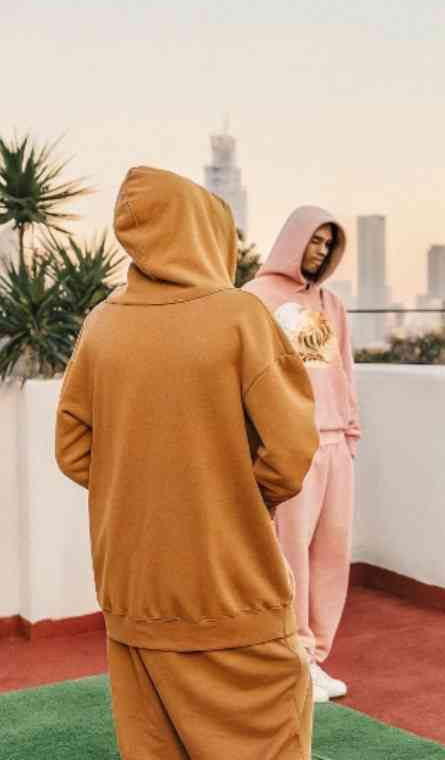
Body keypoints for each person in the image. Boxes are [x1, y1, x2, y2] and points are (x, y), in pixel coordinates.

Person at [55, 166, 320, 759]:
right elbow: (291, 450)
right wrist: (237, 498)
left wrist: (143, 486)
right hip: (230, 586)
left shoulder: (102, 325)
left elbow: (74, 450)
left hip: (132, 590)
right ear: (205, 232)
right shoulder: (239, 316)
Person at [244, 206, 360, 703]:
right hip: (291, 444)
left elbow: (343, 371)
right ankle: (292, 656)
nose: (321, 251)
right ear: (294, 240)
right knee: (288, 554)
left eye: (330, 244)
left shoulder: (331, 303)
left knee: (332, 554)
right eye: (315, 240)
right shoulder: (254, 299)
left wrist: (351, 434)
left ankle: (314, 657)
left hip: (336, 443)